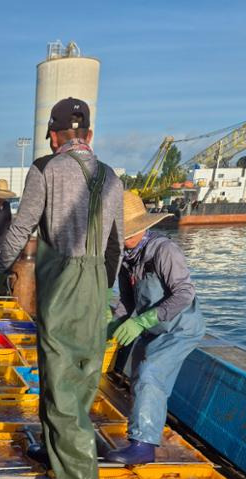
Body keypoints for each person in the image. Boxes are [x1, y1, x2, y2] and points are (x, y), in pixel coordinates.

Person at [0, 96, 124, 479]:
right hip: (97, 281)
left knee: (60, 381)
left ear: (53, 136)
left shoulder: (45, 169)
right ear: (89, 135)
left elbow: (22, 225)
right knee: (77, 376)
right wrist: (102, 289)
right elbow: (115, 243)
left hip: (63, 281)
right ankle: (55, 452)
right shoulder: (113, 177)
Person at [105, 192, 205, 464]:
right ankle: (138, 434)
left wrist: (142, 321)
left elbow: (184, 293)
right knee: (138, 378)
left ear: (141, 228)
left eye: (125, 234)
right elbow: (127, 301)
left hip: (180, 328)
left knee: (151, 374)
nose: (120, 241)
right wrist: (113, 324)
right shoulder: (128, 259)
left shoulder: (164, 251)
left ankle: (143, 445)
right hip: (153, 328)